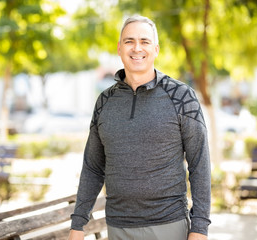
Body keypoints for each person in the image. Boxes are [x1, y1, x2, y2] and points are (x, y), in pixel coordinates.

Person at [68, 15, 211, 240]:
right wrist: (78, 225)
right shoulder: (104, 101)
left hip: (168, 225)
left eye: (144, 41)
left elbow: (199, 164)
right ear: (119, 48)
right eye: (129, 41)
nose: (137, 48)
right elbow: (93, 167)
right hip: (117, 227)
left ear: (156, 49)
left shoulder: (182, 97)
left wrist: (200, 229)